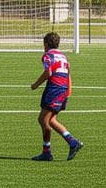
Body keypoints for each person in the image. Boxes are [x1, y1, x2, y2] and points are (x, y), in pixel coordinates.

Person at [28, 31, 83, 161]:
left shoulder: (48, 56)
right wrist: (68, 91)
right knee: (51, 120)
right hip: (63, 89)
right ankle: (72, 142)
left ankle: (48, 152)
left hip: (54, 89)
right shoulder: (63, 56)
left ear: (46, 44)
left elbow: (48, 72)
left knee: (43, 120)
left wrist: (35, 85)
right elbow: (68, 74)